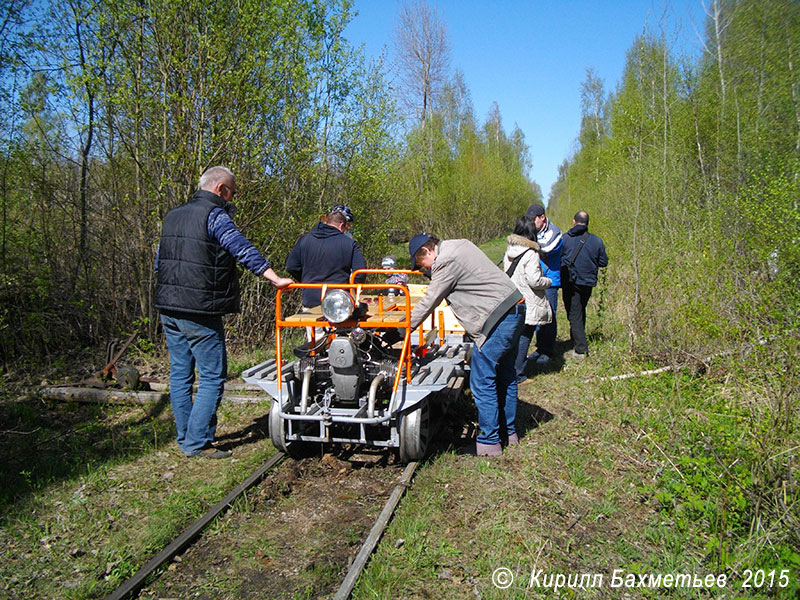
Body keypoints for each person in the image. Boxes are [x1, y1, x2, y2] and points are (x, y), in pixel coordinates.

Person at [155, 166, 293, 458]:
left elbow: (161, 262)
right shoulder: (214, 215)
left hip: (168, 306)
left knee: (180, 374)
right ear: (221, 189)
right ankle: (197, 442)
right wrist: (274, 278)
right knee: (212, 376)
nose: (233, 198)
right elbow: (240, 248)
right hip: (200, 309)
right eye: (232, 192)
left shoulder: (173, 215)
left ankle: (185, 438)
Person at [408, 233, 525, 456]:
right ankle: (508, 434)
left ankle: (490, 443)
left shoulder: (444, 262)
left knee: (482, 380)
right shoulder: (458, 245)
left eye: (420, 265)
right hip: (515, 308)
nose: (423, 271)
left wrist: (402, 329)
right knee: (506, 375)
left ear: (426, 251)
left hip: (497, 319)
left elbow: (429, 301)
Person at [285, 204, 367, 309]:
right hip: (339, 300)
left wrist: (307, 281)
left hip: (311, 299)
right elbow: (360, 272)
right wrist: (353, 289)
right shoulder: (349, 243)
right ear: (341, 225)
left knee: (313, 325)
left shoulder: (304, 240)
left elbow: (291, 266)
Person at [503, 216, 552, 383]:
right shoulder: (531, 253)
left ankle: (508, 369)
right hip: (528, 300)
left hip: (513, 298)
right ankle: (519, 374)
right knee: (524, 337)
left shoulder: (510, 249)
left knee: (514, 337)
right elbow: (535, 280)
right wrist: (549, 281)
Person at [560, 210, 608, 358]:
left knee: (574, 313)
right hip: (587, 282)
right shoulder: (597, 241)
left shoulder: (564, 239)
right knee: (580, 309)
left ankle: (581, 349)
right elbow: (603, 262)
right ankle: (576, 339)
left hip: (570, 282)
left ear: (574, 221)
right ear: (587, 223)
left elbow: (558, 258)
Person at [525, 203, 562, 365]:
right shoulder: (534, 232)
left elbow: (547, 248)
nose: (532, 224)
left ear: (542, 218)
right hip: (534, 279)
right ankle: (540, 347)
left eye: (534, 220)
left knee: (549, 315)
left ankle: (547, 350)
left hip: (550, 281)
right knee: (536, 314)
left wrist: (527, 243)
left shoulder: (555, 232)